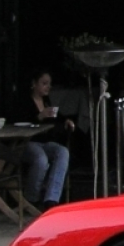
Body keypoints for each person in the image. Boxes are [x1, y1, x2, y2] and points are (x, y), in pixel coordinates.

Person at [11, 68, 73, 212]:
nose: (48, 87)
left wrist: (66, 120)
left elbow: (56, 116)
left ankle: (51, 199)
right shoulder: (24, 101)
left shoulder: (46, 101)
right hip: (27, 142)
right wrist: (39, 116)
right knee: (41, 159)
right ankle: (31, 199)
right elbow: (18, 120)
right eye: (44, 83)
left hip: (44, 141)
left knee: (62, 152)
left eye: (49, 84)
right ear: (34, 84)